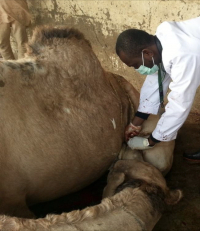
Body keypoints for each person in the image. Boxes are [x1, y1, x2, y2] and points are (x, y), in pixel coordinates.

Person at [115, 17, 200, 162]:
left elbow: (179, 104)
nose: (137, 69)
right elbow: (156, 81)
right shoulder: (162, 39)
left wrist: (150, 142)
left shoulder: (184, 55)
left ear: (147, 53)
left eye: (135, 64)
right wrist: (134, 124)